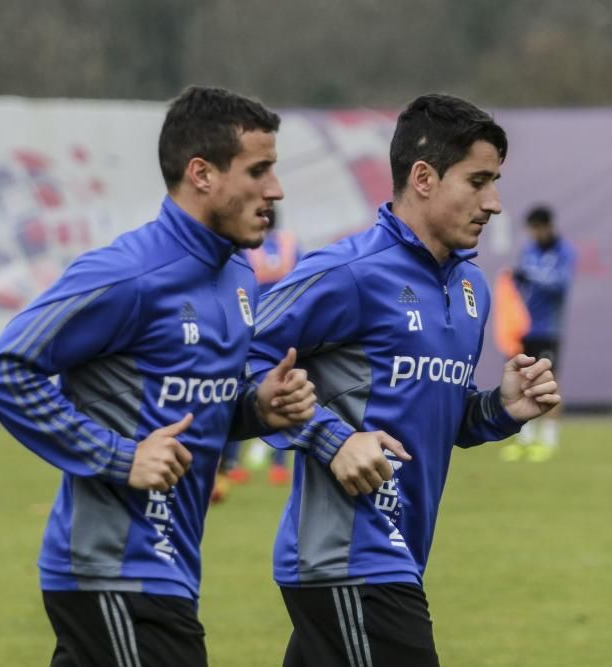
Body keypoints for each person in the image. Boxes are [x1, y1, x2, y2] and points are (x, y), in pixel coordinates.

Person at [0, 86, 317, 667]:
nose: (275, 190)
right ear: (201, 173)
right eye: (258, 171)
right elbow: (3, 371)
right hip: (115, 572)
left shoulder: (237, 272)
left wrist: (258, 409)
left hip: (165, 572)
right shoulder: (129, 273)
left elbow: (190, 407)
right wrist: (119, 457)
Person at [246, 94, 561, 666]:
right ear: (422, 177)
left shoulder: (472, 290)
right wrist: (330, 437)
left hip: (395, 556)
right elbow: (236, 359)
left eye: (496, 182)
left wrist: (497, 409)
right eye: (478, 181)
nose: (493, 203)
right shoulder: (348, 273)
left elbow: (436, 416)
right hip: (350, 559)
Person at [215, 206, 303, 499]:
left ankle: (231, 464)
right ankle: (279, 465)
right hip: (285, 332)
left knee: (237, 392)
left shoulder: (243, 247)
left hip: (250, 329)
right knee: (283, 394)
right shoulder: (291, 243)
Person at [499, 205, 576, 463]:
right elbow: (523, 283)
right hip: (525, 327)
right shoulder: (529, 250)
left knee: (549, 382)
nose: (534, 235)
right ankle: (525, 438)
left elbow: (560, 284)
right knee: (523, 382)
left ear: (547, 227)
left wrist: (529, 276)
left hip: (549, 329)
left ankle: (550, 440)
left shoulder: (564, 251)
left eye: (537, 230)